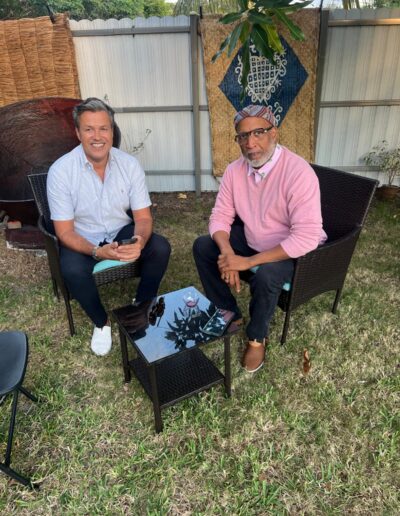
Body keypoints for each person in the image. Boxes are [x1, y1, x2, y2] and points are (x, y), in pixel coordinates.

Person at [193, 105, 327, 373]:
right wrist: (228, 254)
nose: (250, 143)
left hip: (292, 249)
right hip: (254, 237)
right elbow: (220, 215)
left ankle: (256, 338)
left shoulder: (298, 172)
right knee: (204, 246)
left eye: (258, 133)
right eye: (243, 136)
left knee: (266, 275)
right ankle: (228, 312)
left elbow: (306, 237)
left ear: (274, 133)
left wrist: (247, 262)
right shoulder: (234, 170)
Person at [47, 97, 171, 356]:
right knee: (71, 269)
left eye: (104, 128)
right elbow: (64, 232)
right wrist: (96, 251)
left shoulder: (129, 165)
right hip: (83, 236)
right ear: (78, 133)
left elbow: (143, 219)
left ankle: (141, 305)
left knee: (159, 247)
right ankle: (101, 322)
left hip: (119, 230)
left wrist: (139, 241)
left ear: (112, 131)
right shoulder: (61, 171)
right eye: (89, 129)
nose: (97, 136)